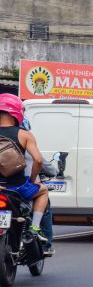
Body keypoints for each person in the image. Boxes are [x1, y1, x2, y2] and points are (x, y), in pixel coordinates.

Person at [0, 94, 49, 240]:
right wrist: (33, 180)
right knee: (44, 191)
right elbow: (38, 160)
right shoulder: (25, 135)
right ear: (17, 112)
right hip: (18, 188)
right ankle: (34, 229)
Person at [22, 117, 55, 256]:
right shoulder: (27, 139)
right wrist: (32, 179)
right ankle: (44, 241)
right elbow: (41, 161)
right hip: (23, 188)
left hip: (5, 188)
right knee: (44, 196)